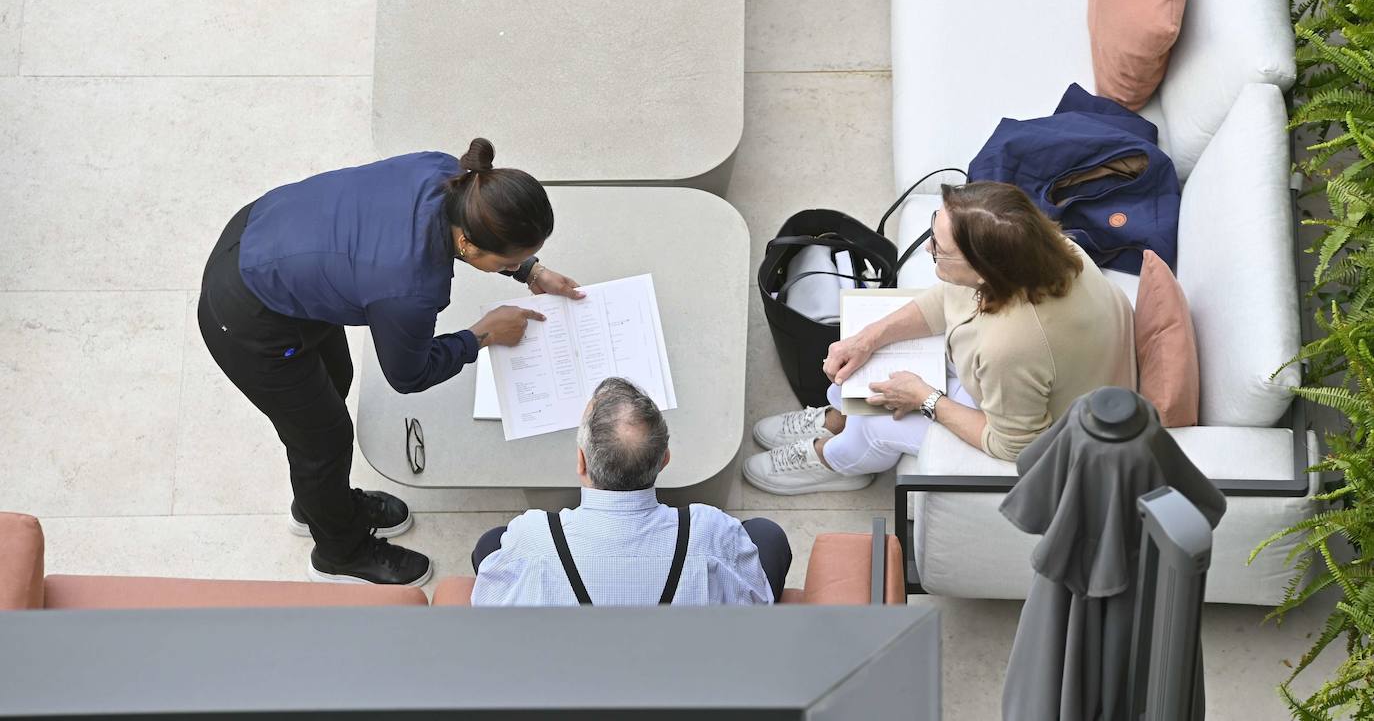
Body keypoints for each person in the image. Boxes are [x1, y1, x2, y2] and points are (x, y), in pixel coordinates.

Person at [199, 139, 583, 586]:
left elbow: (470, 233)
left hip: (273, 241)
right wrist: (482, 335)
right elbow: (408, 374)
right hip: (248, 319)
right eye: (512, 258)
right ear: (467, 243)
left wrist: (530, 272)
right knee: (323, 441)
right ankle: (339, 553)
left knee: (335, 381)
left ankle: (323, 506)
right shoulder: (412, 288)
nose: (519, 263)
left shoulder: (450, 174)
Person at [744, 181, 1136, 495]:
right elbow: (945, 301)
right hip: (1032, 379)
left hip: (1047, 426)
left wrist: (926, 399)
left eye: (939, 249)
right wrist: (867, 339)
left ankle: (839, 460)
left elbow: (1013, 445)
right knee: (878, 358)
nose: (928, 247)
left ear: (983, 269)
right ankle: (837, 418)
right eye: (935, 228)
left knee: (877, 423)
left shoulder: (1011, 348)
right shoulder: (1039, 251)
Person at [471, 377, 789, 606]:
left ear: (581, 462)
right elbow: (756, 600)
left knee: (490, 542)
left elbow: (488, 606)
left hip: (573, 687)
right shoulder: (710, 531)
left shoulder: (533, 536)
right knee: (765, 534)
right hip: (682, 684)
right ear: (664, 459)